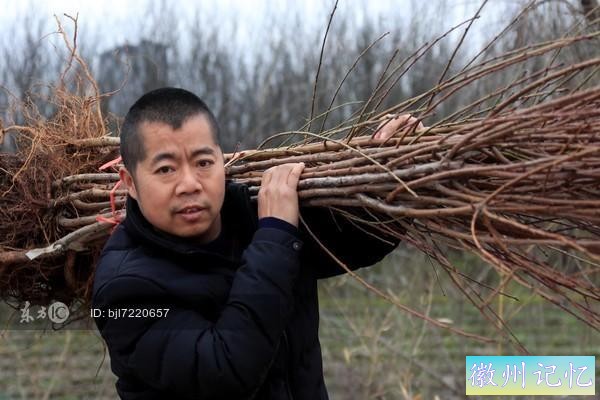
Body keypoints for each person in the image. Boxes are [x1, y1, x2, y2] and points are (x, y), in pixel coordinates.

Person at [91, 87, 420, 399]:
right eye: (166, 169)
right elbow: (227, 372)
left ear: (224, 160)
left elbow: (355, 241)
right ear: (130, 183)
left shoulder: (252, 216)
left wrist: (393, 170)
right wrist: (275, 234)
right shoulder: (122, 290)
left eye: (204, 162)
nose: (189, 184)